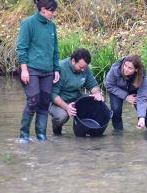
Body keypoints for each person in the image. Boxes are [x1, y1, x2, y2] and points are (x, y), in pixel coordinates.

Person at [16, 0, 60, 143]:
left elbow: (55, 50)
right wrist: (24, 70)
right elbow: (22, 48)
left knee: (44, 103)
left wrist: (57, 69)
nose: (54, 13)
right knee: (33, 101)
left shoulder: (52, 26)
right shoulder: (28, 23)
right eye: (52, 11)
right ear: (43, 10)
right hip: (31, 69)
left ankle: (41, 136)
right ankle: (24, 136)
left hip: (48, 71)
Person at [49, 48, 104, 136]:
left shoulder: (84, 68)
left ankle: (85, 130)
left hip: (76, 97)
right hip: (57, 101)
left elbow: (93, 85)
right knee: (62, 117)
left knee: (95, 103)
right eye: (81, 67)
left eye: (85, 67)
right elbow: (53, 94)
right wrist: (67, 107)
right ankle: (56, 131)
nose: (83, 70)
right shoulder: (60, 68)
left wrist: (98, 93)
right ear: (73, 61)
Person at [105, 55, 147, 133]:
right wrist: (126, 96)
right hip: (116, 89)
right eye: (125, 66)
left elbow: (142, 98)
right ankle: (118, 133)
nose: (125, 69)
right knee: (116, 110)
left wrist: (141, 117)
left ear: (136, 69)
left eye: (130, 68)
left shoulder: (142, 76)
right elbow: (109, 85)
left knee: (143, 112)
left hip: (133, 89)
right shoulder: (115, 69)